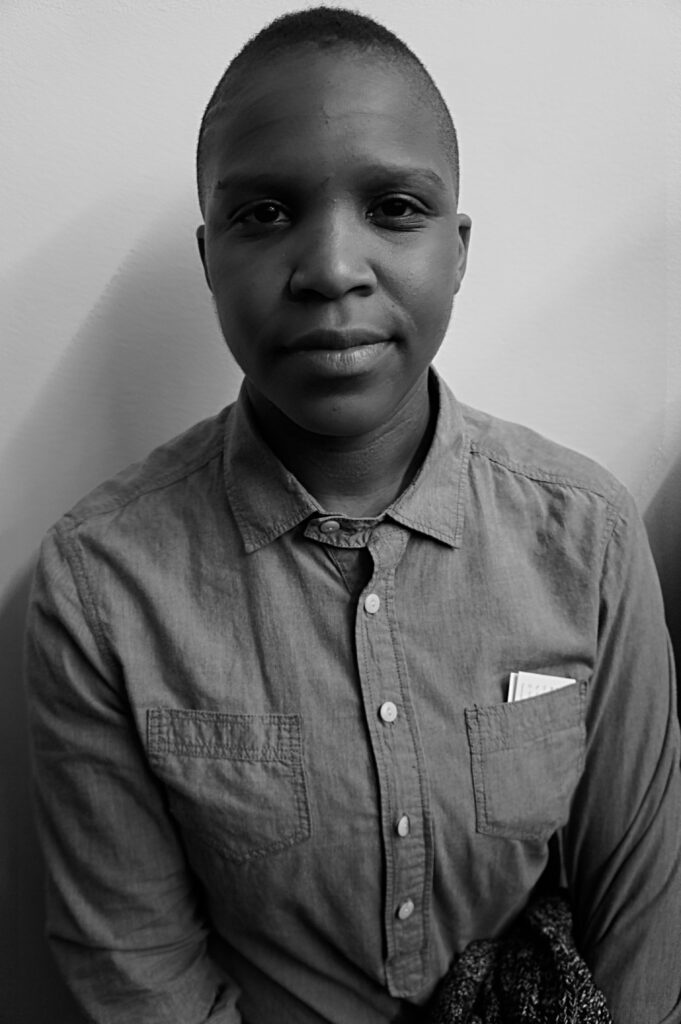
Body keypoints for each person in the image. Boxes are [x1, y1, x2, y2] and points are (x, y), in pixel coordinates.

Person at [25, 7, 681, 1024]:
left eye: (394, 207)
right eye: (264, 213)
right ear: (209, 258)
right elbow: (135, 966)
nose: (333, 267)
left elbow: (643, 909)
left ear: (456, 251)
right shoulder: (100, 585)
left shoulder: (586, 534)